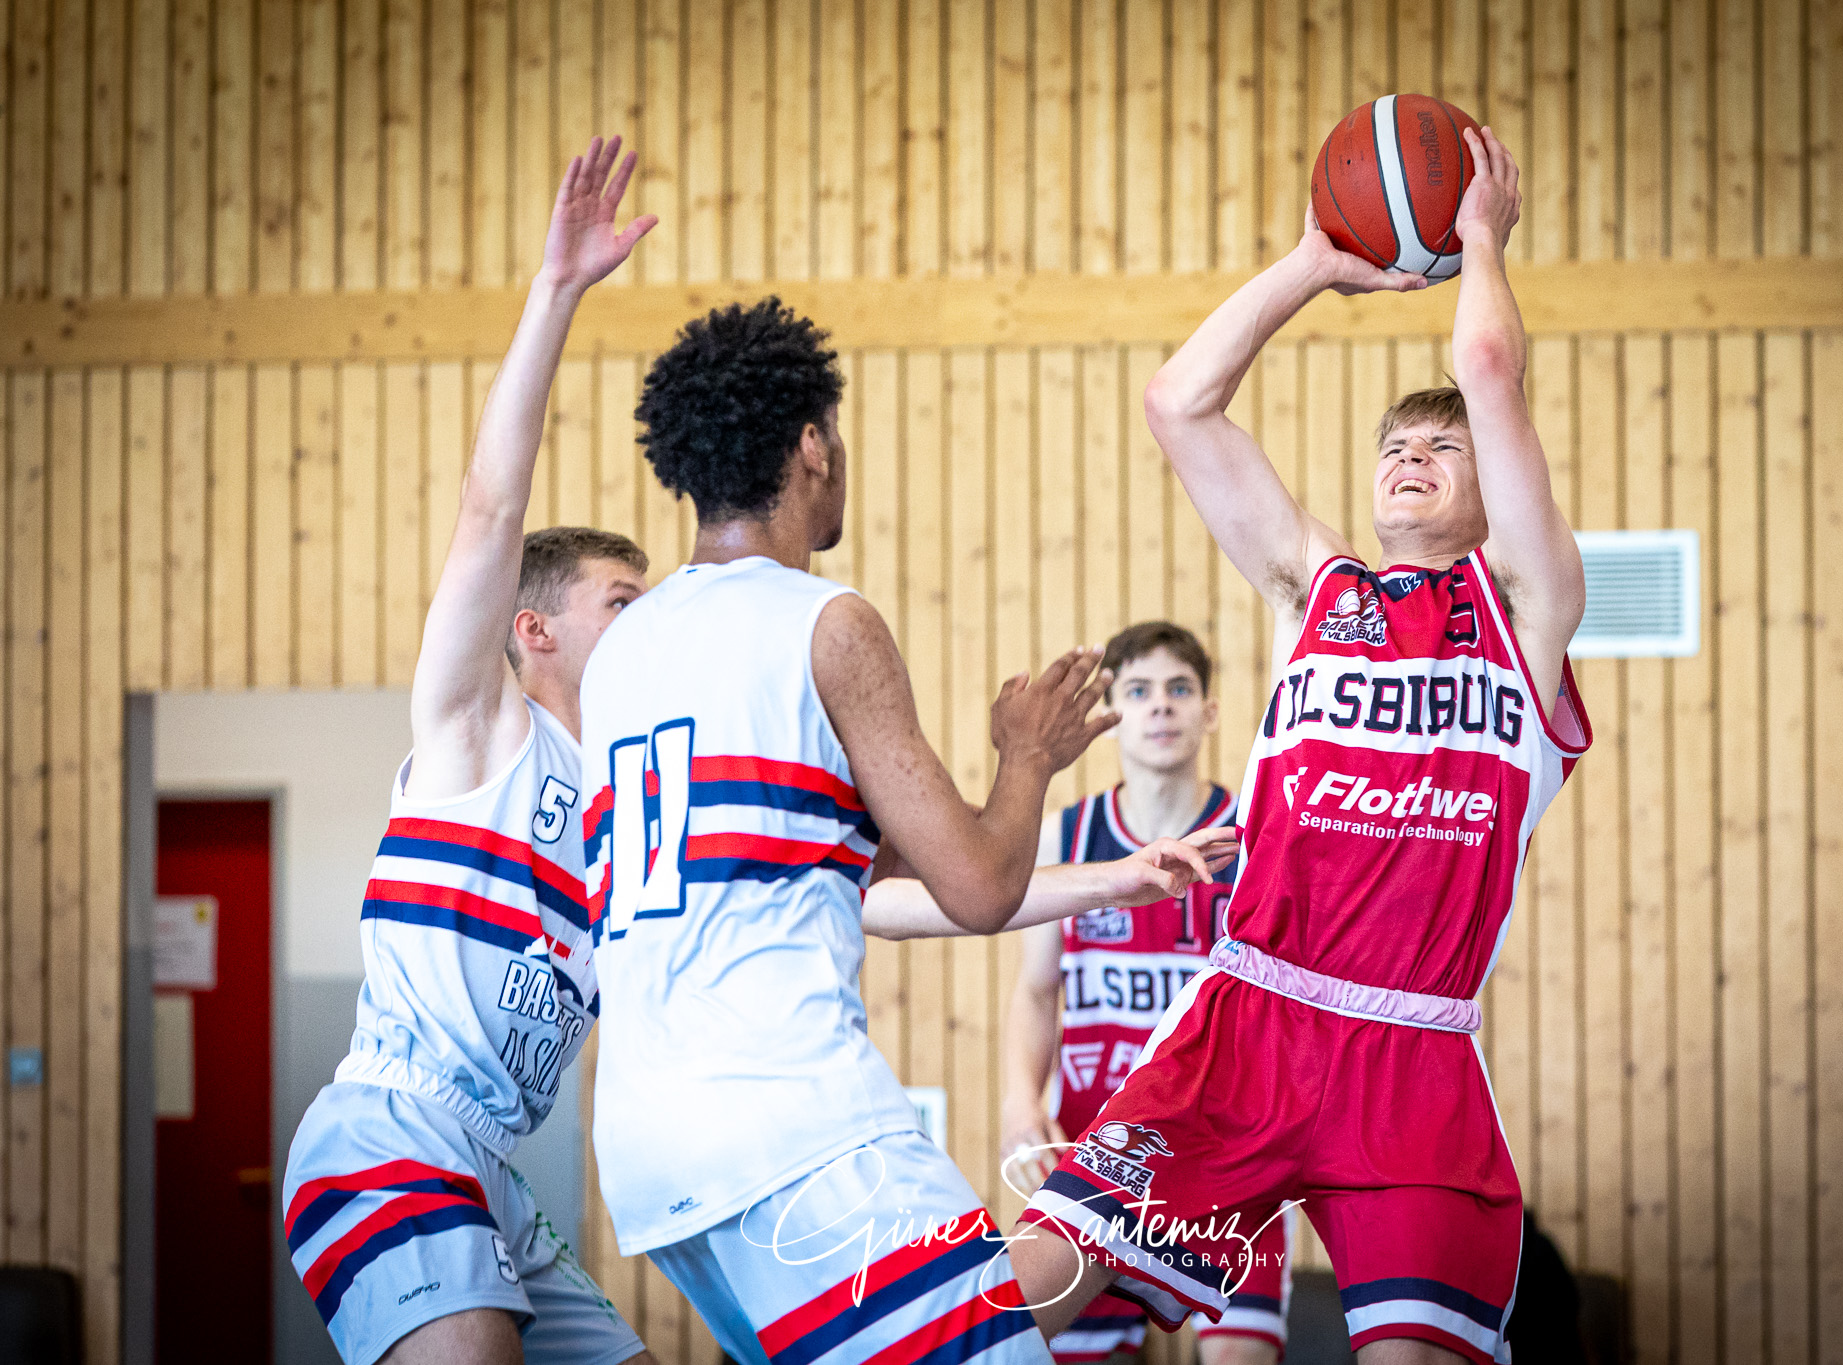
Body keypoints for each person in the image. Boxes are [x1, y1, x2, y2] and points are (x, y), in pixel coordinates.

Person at [1008, 127, 1591, 1365]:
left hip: (1412, 1054)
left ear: (1494, 484)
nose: (1407, 460)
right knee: (1014, 1295)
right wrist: (1311, 262)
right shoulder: (1313, 592)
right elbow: (1178, 401)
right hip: (1249, 1023)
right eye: (1391, 447)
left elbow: (1486, 363)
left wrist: (1476, 232)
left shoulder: (1526, 610)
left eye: (1438, 449)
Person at [580, 296, 1229, 1365]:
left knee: (978, 1328)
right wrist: (1027, 755)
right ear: (810, 447)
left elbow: (856, 869)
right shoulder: (824, 620)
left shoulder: (627, 649)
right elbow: (975, 885)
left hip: (650, 1148)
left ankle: (1125, 1211)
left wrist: (1107, 880)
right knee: (1003, 1350)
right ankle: (1132, 1209)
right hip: (793, 1125)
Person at [281, 138, 660, 1365]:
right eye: (623, 601)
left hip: (488, 1171)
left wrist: (1113, 879)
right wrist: (554, 294)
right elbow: (491, 511)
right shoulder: (480, 728)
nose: (648, 625)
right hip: (388, 1137)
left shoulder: (632, 807)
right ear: (534, 628)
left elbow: (867, 900)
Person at [999, 622, 1287, 1365]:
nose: (1161, 706)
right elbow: (1036, 990)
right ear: (1113, 713)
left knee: (1243, 1356)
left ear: (1210, 711)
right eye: (1139, 691)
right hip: (1098, 1144)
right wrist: (1017, 1101)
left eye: (1179, 689)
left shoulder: (1254, 839)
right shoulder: (1070, 832)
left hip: (1230, 1148)